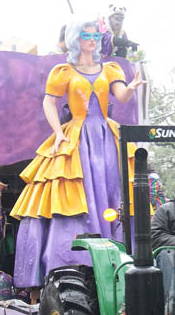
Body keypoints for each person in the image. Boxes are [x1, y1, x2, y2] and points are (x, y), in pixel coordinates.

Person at [10, 19, 145, 290]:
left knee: (114, 189)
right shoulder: (63, 71)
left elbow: (120, 97)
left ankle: (120, 255)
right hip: (77, 136)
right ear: (76, 38)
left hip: (106, 137)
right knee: (72, 192)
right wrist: (58, 132)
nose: (92, 39)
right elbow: (49, 100)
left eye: (95, 35)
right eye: (86, 35)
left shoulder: (111, 69)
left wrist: (130, 88)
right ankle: (75, 261)